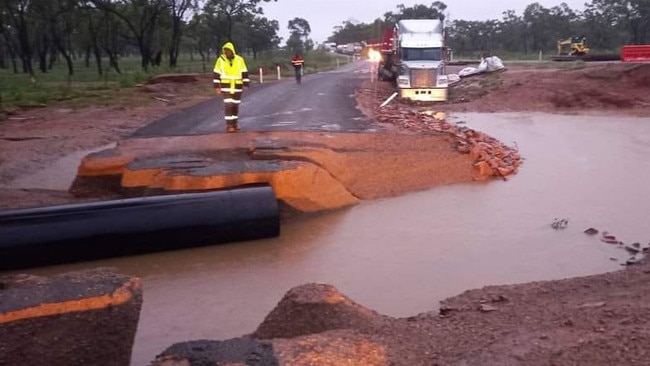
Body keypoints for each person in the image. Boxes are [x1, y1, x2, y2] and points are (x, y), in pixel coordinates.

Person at [213, 42, 250, 133]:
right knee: (228, 105)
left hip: (237, 86)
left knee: (235, 106)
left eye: (228, 50)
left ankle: (235, 123)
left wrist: (246, 84)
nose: (227, 52)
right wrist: (217, 87)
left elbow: (244, 72)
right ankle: (229, 125)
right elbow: (216, 73)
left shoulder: (239, 59)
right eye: (225, 51)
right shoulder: (220, 60)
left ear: (232, 51)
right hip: (226, 86)